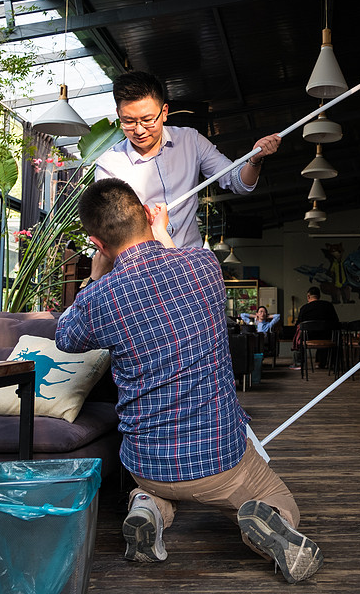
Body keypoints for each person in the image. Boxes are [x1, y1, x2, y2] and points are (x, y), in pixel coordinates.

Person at [55, 178, 322, 583]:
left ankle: (146, 507)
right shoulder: (204, 267)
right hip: (219, 462)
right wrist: (162, 234)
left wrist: (96, 275)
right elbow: (171, 267)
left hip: (146, 462)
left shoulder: (99, 299)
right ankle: (262, 518)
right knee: (278, 500)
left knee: (158, 488)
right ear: (147, 214)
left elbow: (65, 337)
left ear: (97, 242)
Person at [95, 71, 282, 248]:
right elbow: (110, 230)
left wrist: (255, 159)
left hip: (188, 260)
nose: (139, 130)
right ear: (119, 115)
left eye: (148, 119)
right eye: (129, 121)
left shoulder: (190, 140)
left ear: (164, 112)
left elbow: (238, 182)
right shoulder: (109, 165)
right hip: (141, 267)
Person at [293, 286, 339, 370]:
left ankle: (300, 363)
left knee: (301, 334)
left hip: (309, 337)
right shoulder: (328, 306)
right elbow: (336, 322)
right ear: (319, 296)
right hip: (327, 337)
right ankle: (328, 363)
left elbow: (298, 325)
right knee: (326, 335)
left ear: (308, 296)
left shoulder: (304, 308)